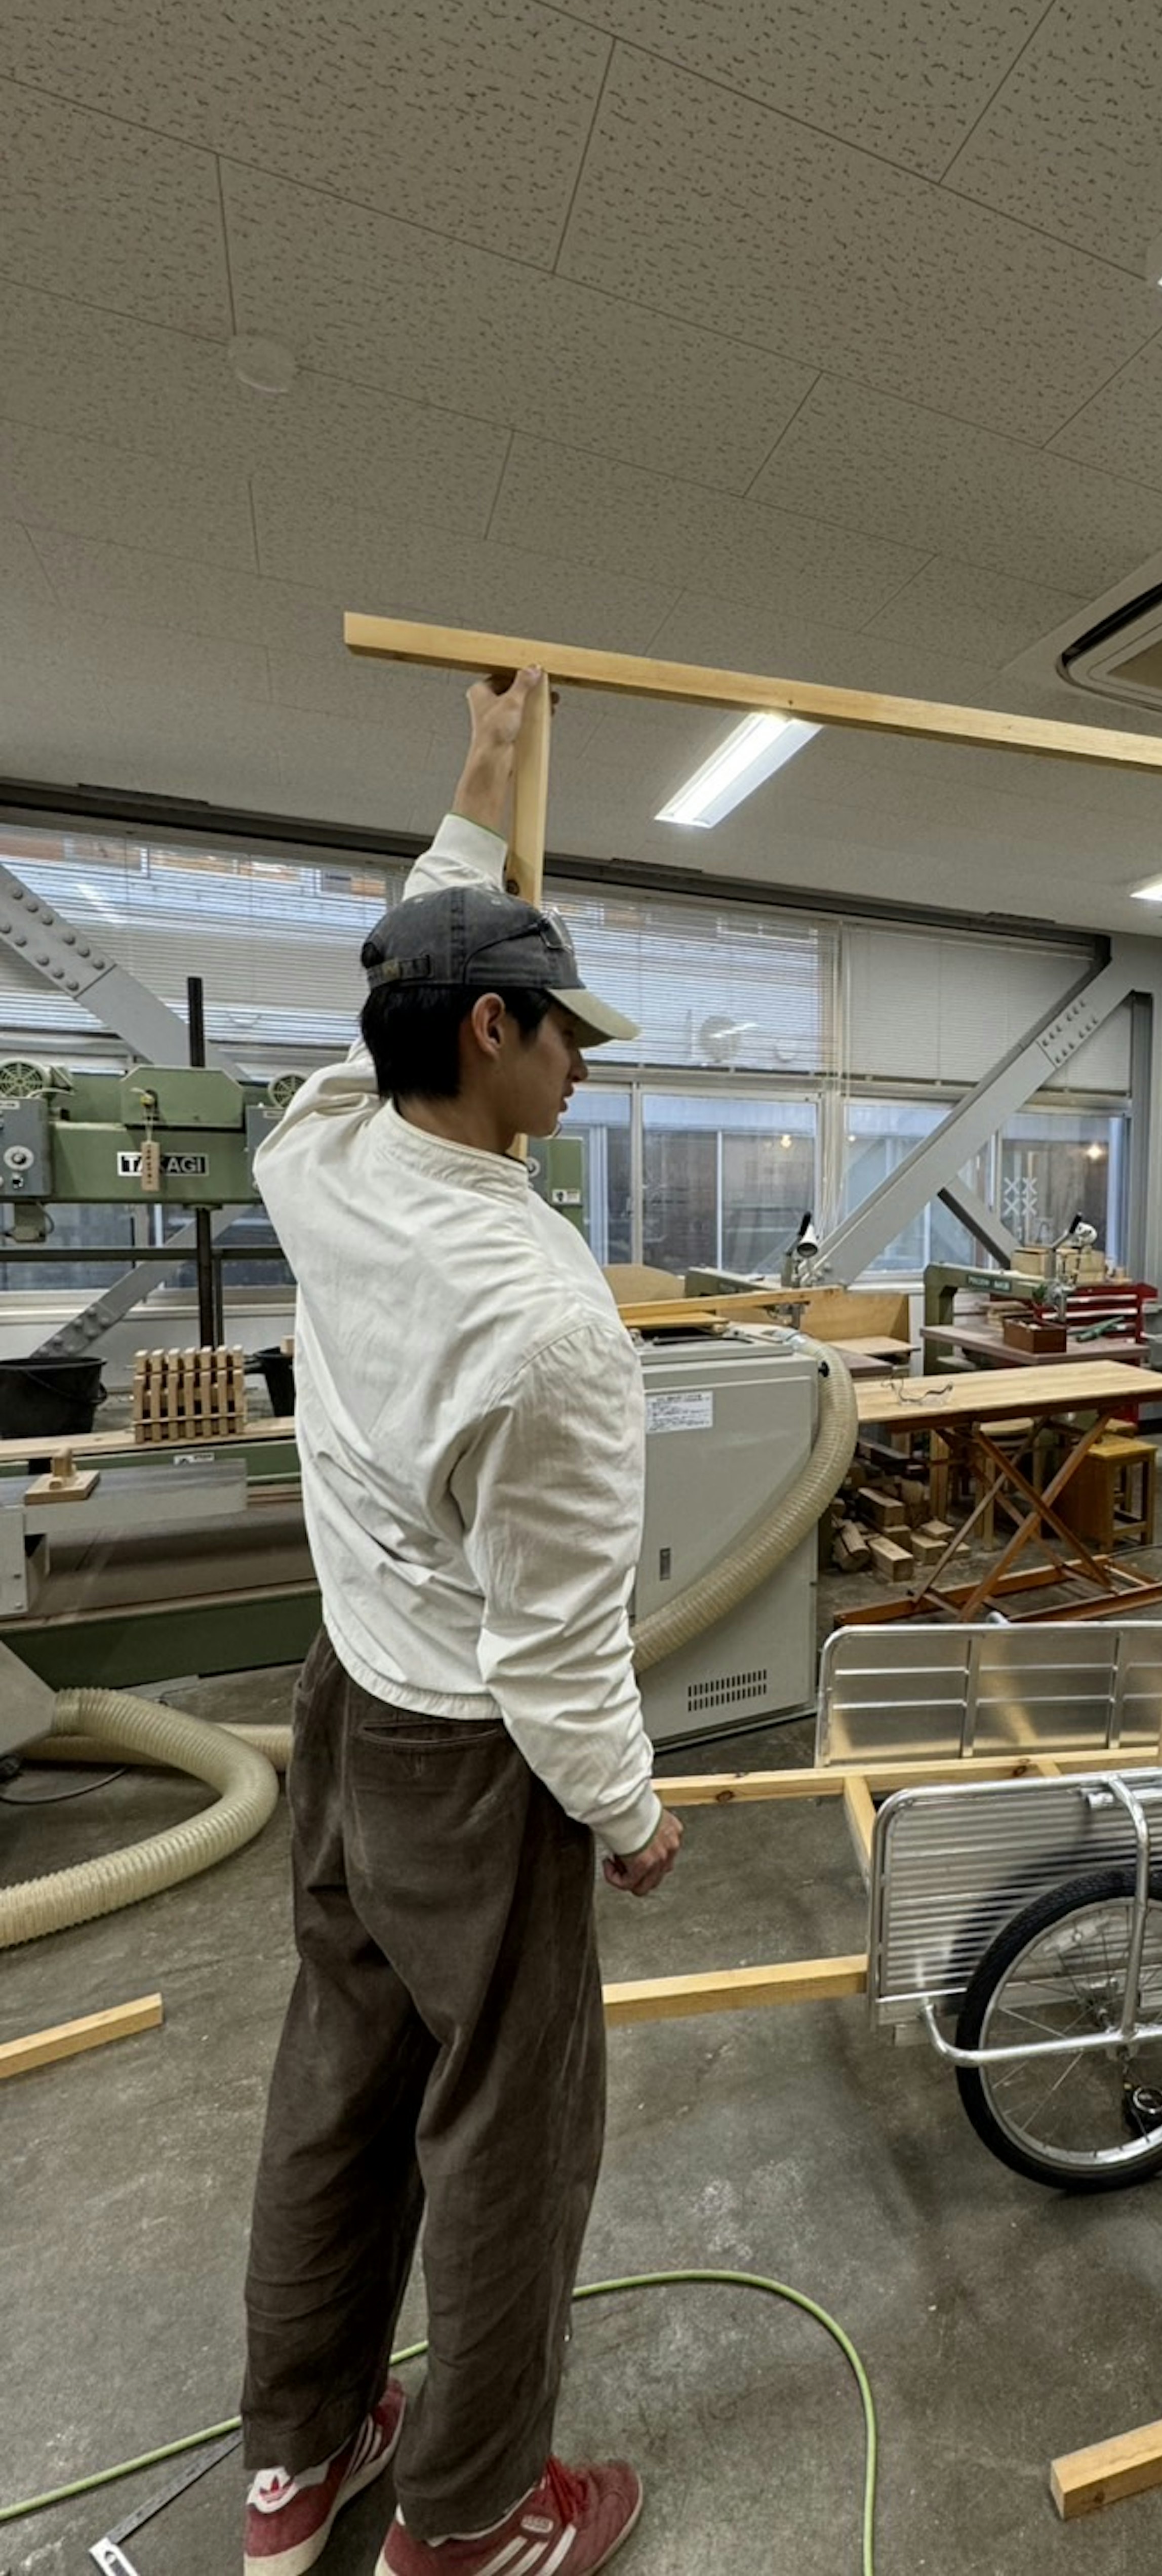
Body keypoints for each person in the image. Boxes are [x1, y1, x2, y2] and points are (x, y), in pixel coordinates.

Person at [239, 666, 683, 2576]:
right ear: (489, 1029)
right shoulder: (550, 1320)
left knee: (338, 2074)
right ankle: (475, 2518)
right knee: (510, 2137)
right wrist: (638, 1816)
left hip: (338, 1703)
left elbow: (384, 992)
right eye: (564, 1036)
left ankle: (299, 2461)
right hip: (472, 1765)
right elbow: (558, 1661)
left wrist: (481, 787)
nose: (584, 1067)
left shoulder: (314, 1146)